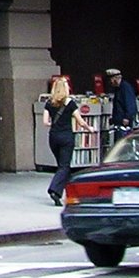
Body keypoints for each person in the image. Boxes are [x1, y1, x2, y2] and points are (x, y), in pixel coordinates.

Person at [42, 77, 90, 206]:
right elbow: (80, 121)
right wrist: (89, 128)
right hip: (66, 137)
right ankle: (55, 190)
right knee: (64, 166)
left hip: (53, 137)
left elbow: (45, 122)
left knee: (62, 167)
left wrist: (54, 124)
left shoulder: (49, 103)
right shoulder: (70, 103)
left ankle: (67, 192)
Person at [104, 69, 137, 144]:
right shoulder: (118, 89)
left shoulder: (125, 88)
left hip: (124, 124)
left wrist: (127, 117)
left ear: (115, 79)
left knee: (123, 144)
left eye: (111, 80)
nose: (110, 82)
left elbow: (130, 103)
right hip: (118, 122)